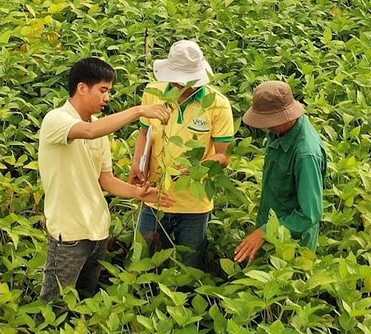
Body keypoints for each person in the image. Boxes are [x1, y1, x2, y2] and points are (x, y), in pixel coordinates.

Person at [38, 57, 174, 303]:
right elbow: (88, 133)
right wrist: (140, 110)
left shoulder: (99, 127)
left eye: (109, 91)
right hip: (68, 234)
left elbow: (106, 180)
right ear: (81, 88)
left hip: (98, 231)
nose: (107, 98)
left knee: (86, 300)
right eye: (103, 90)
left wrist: (138, 193)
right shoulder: (56, 120)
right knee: (55, 305)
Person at [129, 39, 234, 269]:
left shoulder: (217, 105)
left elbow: (224, 156)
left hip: (194, 204)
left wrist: (198, 168)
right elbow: (144, 132)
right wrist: (137, 162)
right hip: (154, 196)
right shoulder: (153, 92)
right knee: (145, 262)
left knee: (190, 266)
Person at [233, 80, 326, 264]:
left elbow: (310, 214)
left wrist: (265, 231)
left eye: (269, 121)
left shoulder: (306, 154)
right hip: (271, 228)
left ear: (285, 116)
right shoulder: (281, 130)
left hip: (293, 245)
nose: (266, 126)